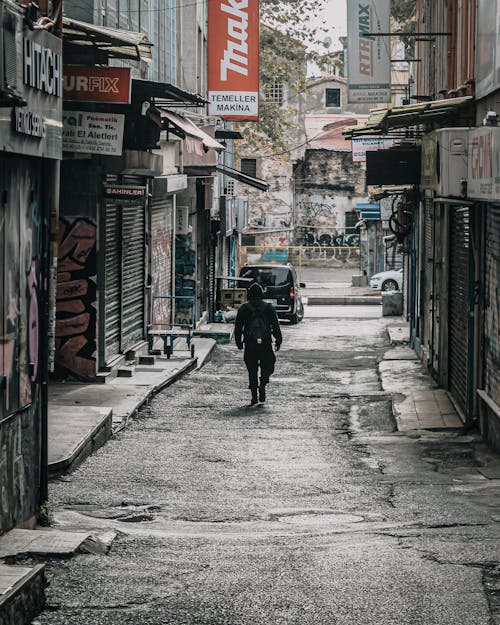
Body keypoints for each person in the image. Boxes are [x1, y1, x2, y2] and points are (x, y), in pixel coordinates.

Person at [234, 283, 282, 405]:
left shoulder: (244, 309)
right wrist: (278, 340)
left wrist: (238, 342)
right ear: (262, 294)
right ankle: (263, 383)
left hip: (250, 344)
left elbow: (238, 328)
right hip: (265, 343)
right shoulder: (269, 308)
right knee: (268, 365)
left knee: (252, 369)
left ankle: (254, 396)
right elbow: (276, 326)